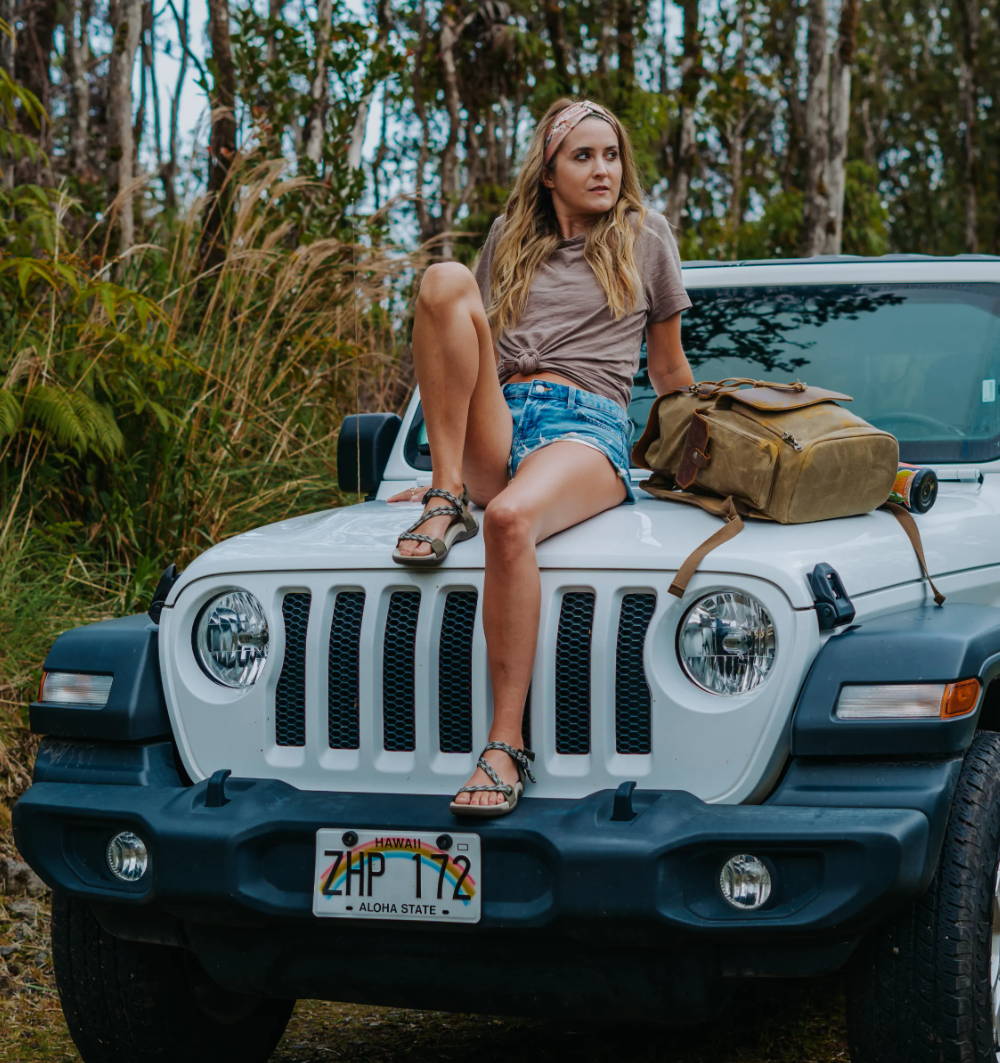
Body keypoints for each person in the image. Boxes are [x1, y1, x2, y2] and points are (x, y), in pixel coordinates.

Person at [390, 98, 693, 817]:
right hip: (500, 416)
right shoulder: (509, 237)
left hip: (583, 426)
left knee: (512, 520)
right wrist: (453, 468)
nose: (603, 169)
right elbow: (468, 353)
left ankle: (504, 743)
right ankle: (444, 493)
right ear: (549, 171)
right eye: (583, 156)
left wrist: (704, 461)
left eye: (611, 154)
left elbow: (671, 372)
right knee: (441, 281)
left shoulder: (645, 236)